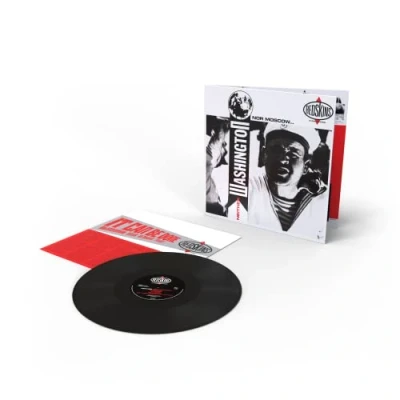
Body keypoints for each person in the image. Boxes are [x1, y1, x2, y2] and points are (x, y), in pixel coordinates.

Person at [249, 129, 329, 233]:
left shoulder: (322, 200)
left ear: (306, 165)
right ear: (264, 155)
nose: (283, 160)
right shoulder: (249, 187)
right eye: (276, 151)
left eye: (294, 154)